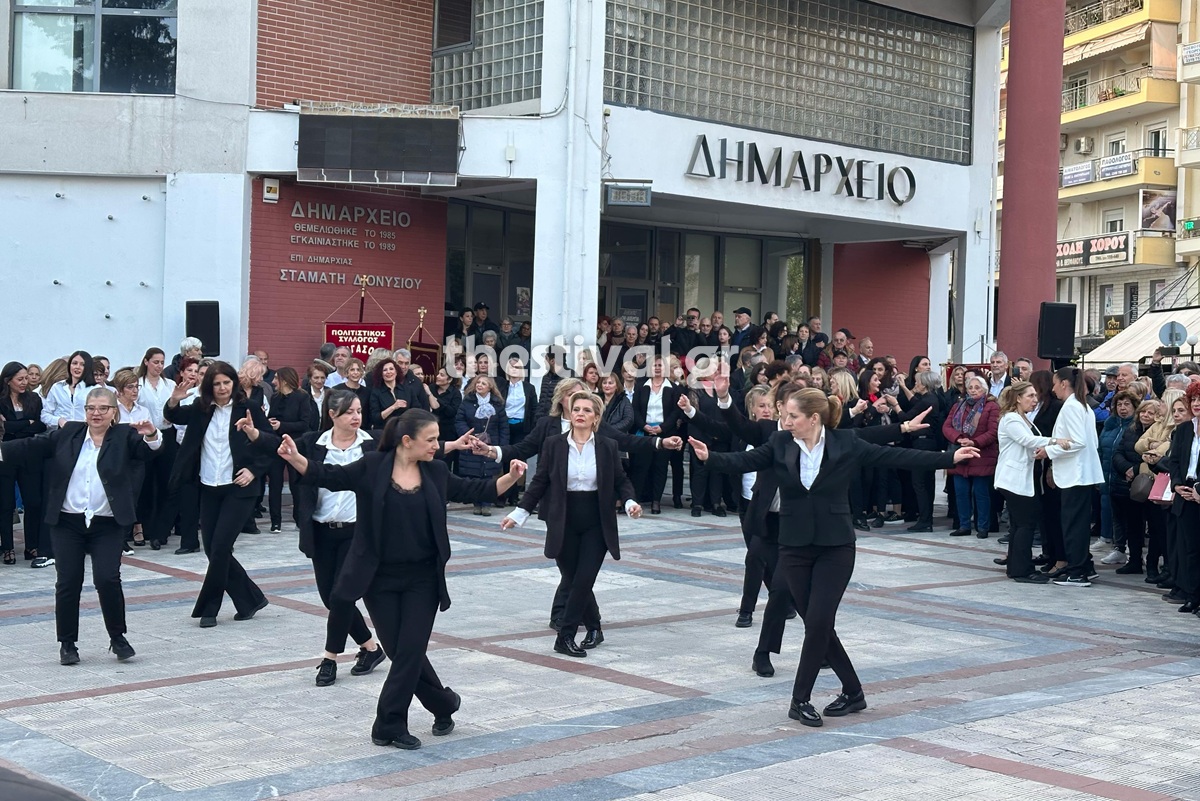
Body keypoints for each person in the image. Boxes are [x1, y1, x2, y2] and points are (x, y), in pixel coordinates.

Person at [691, 388, 978, 726]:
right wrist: (710, 457)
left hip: (836, 548)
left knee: (819, 621)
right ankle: (854, 693)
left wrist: (949, 458)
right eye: (785, 416)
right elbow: (744, 461)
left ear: (814, 418)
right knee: (818, 624)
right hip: (794, 548)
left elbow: (897, 457)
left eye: (793, 416)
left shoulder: (846, 443)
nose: (786, 421)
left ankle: (800, 700)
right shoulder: (781, 444)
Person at [276, 410, 526, 750]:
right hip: (379, 579)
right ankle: (443, 704)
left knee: (409, 651)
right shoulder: (372, 467)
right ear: (407, 441)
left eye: (438, 439)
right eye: (431, 439)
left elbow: (476, 488)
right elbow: (329, 476)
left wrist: (510, 477)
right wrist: (296, 459)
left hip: (423, 578)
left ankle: (388, 724)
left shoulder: (436, 471)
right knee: (401, 653)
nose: (437, 446)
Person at [0, 386, 161, 665]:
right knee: (68, 582)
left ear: (114, 413)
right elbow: (32, 445)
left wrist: (152, 435)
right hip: (67, 523)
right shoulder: (69, 433)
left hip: (107, 523)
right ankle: (67, 644)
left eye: (102, 408)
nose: (96, 413)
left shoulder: (123, 436)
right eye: (90, 408)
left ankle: (118, 638)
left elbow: (148, 452)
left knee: (107, 578)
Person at [502, 392, 642, 656]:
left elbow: (620, 480)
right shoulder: (554, 444)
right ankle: (594, 627)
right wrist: (519, 514)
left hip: (596, 521)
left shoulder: (607, 445)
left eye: (587, 410)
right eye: (576, 408)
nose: (580, 413)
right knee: (573, 577)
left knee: (584, 578)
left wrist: (629, 502)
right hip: (562, 519)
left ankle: (564, 636)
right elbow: (540, 481)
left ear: (596, 418)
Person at [278, 390, 387, 686]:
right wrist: (253, 433)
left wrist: (451, 445)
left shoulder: (373, 443)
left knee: (342, 595)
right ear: (332, 415)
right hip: (321, 531)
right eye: (350, 412)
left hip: (358, 533)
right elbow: (279, 450)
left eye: (359, 411)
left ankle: (329, 658)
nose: (356, 417)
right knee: (331, 598)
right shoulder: (313, 443)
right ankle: (371, 648)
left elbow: (412, 448)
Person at [163, 362, 277, 626]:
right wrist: (174, 400)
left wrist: (254, 471)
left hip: (239, 488)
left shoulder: (247, 408)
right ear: (209, 387)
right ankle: (250, 599)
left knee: (221, 547)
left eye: (227, 382)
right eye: (217, 384)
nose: (223, 388)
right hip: (208, 486)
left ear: (234, 384)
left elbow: (271, 443)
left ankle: (208, 609)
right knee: (213, 549)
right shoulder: (201, 409)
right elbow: (174, 417)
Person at [994, 382, 1064, 584]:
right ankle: (1022, 570)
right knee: (1025, 524)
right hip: (1013, 479)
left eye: (1035, 396)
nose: (1035, 400)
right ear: (1018, 398)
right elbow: (1028, 441)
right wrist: (1056, 441)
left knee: (1020, 525)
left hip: (1021, 479)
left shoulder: (1022, 418)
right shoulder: (1011, 418)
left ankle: (1016, 567)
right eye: (1030, 396)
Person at [1043, 367, 1104, 588]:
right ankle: (1083, 566)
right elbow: (1092, 442)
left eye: (1055, 383)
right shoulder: (1082, 406)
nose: (1052, 388)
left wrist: (1049, 451)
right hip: (1081, 472)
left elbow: (1078, 442)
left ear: (1064, 384)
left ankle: (1078, 572)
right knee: (1076, 523)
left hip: (1075, 474)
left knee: (1074, 525)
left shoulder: (1072, 407)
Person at [0, 362, 46, 565]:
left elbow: (40, 424)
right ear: (8, 381)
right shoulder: (1, 401)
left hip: (30, 453)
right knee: (5, 503)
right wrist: (25, 424)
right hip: (6, 455)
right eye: (20, 379)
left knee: (33, 501)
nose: (24, 382)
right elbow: (5, 429)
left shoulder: (34, 399)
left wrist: (14, 426)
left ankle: (32, 545)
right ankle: (8, 548)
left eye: (26, 378)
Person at [942, 375, 1000, 538]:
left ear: (985, 389)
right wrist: (959, 438)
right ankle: (964, 525)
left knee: (980, 493)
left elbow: (992, 432)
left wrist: (974, 442)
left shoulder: (992, 406)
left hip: (981, 455)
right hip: (960, 454)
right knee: (961, 492)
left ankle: (982, 527)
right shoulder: (958, 405)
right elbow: (946, 426)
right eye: (970, 387)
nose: (973, 390)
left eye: (977, 387)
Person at [264, 367, 318, 533]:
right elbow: (272, 417)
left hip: (296, 444)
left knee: (296, 483)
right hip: (277, 444)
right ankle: (275, 522)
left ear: (284, 380)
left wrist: (282, 425)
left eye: (276, 379)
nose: (273, 382)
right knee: (275, 483)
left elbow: (305, 423)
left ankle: (299, 519)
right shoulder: (275, 397)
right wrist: (269, 421)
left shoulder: (302, 397)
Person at [455, 375, 509, 515]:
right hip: (471, 442)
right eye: (478, 382)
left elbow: (503, 427)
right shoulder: (467, 401)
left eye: (483, 383)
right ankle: (476, 503)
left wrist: (502, 447)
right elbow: (459, 421)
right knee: (473, 476)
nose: (479, 385)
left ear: (490, 387)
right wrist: (468, 435)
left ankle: (486, 504)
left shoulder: (497, 404)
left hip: (491, 444)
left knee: (487, 476)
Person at [41, 350, 97, 428]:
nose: (77, 367)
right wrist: (58, 420)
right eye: (74, 363)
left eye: (82, 364)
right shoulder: (57, 387)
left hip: (86, 431)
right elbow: (45, 414)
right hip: (62, 432)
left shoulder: (95, 389)